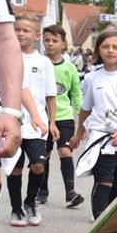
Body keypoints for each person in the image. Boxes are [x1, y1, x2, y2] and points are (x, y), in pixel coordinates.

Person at [70, 28, 117, 218]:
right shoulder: (91, 77)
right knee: (104, 181)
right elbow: (85, 109)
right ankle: (98, 223)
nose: (110, 51)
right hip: (102, 136)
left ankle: (107, 221)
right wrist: (79, 133)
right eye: (105, 46)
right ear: (98, 50)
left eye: (115, 47)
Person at [3, 14, 57, 227]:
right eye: (17, 29)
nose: (20, 33)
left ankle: (30, 201)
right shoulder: (7, 58)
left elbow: (51, 95)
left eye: (26, 30)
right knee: (15, 169)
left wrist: (52, 122)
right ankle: (16, 209)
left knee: (38, 166)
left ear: (37, 35)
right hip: (13, 122)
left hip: (38, 125)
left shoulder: (43, 62)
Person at [38, 24, 84, 208]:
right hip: (42, 116)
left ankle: (70, 193)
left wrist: (81, 115)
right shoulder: (40, 64)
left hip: (64, 117)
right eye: (47, 40)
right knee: (44, 155)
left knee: (65, 151)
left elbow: (76, 93)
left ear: (63, 44)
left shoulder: (70, 67)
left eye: (54, 41)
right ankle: (42, 191)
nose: (50, 44)